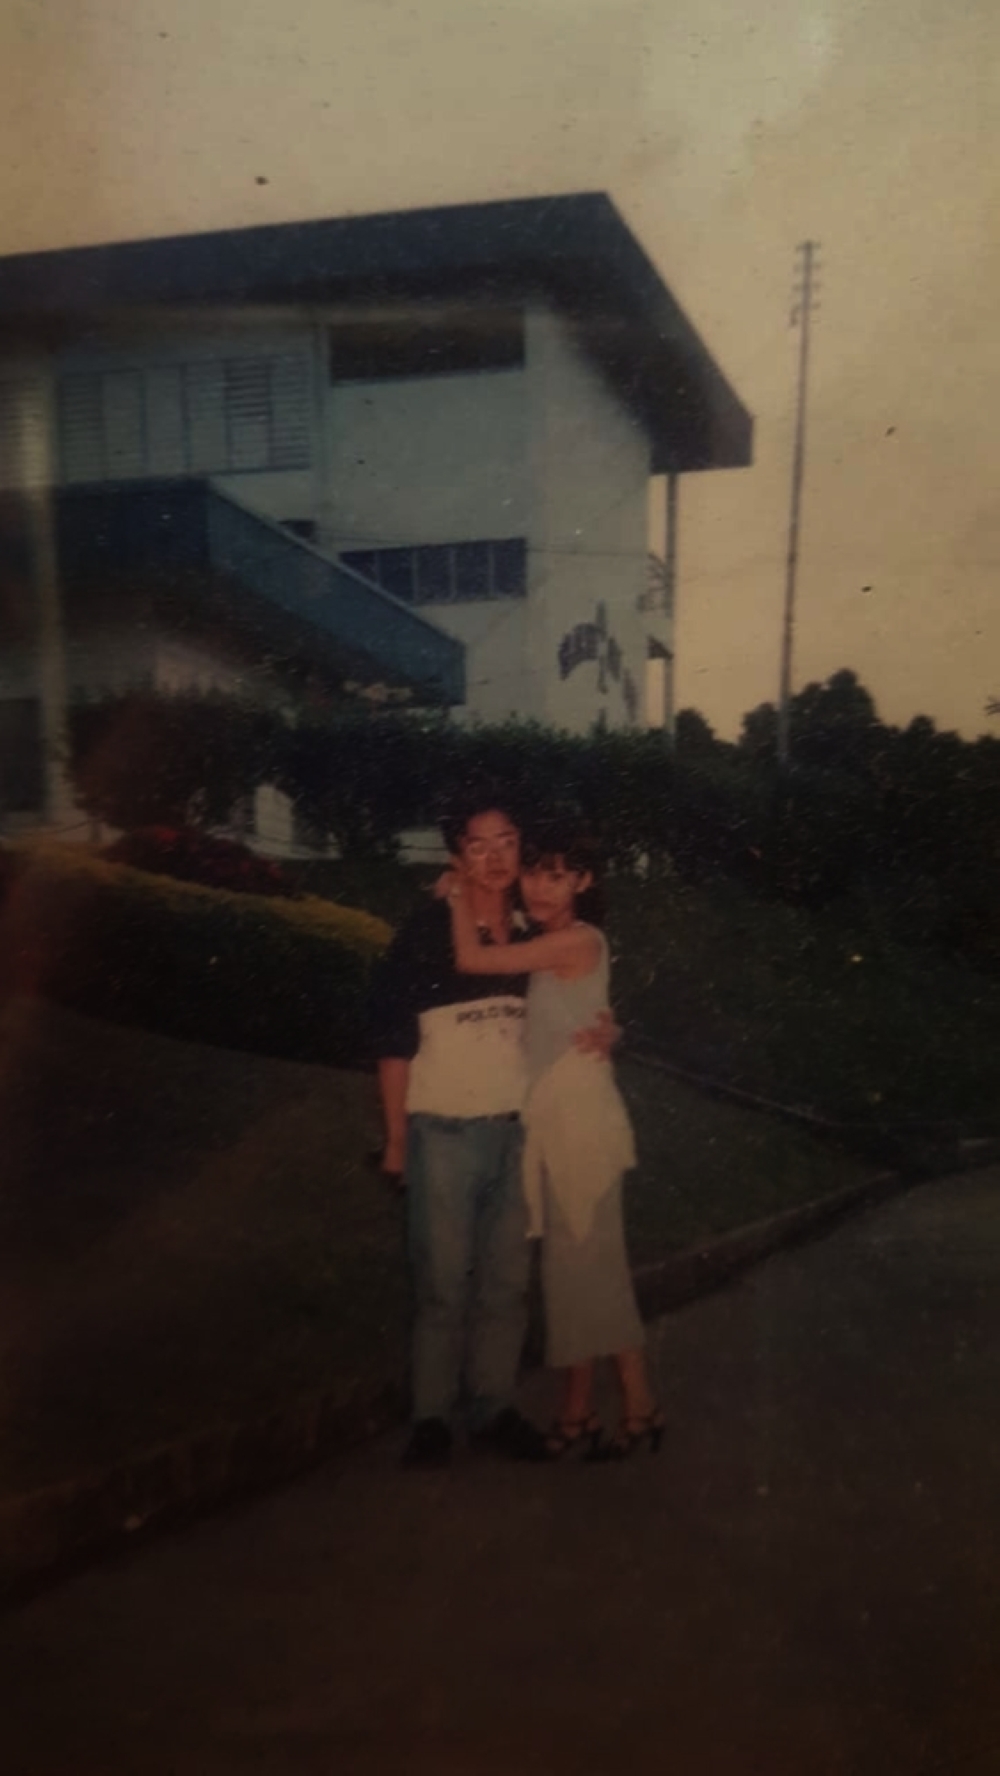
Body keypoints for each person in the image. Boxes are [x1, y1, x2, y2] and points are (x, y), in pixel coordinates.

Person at [369, 788, 613, 1468]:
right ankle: (431, 1420)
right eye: (478, 845)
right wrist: (395, 1140)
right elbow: (392, 1041)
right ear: (458, 857)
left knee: (507, 1284)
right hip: (442, 1132)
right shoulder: (425, 932)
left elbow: (574, 1007)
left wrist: (608, 1029)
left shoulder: (536, 937)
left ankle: (492, 1408)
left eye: (507, 842)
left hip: (519, 1136)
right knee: (443, 1284)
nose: (496, 857)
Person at [439, 822, 663, 1461]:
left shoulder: (572, 941)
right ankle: (586, 1410)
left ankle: (634, 1405)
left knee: (587, 1270)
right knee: (578, 1272)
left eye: (557, 875)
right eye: (533, 872)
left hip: (580, 1126)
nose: (538, 885)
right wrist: (610, 1030)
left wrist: (456, 893)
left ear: (583, 883)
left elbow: (472, 959)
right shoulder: (557, 941)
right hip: (563, 1120)